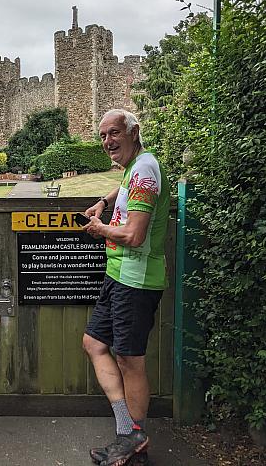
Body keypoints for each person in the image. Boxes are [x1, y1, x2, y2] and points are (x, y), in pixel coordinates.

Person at [81, 109, 169, 466]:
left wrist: (100, 229)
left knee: (130, 360)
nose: (107, 142)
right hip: (118, 276)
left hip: (137, 279)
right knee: (94, 343)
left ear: (133, 132)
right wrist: (103, 201)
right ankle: (128, 433)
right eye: (103, 136)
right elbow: (127, 185)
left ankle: (134, 436)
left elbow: (134, 235)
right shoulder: (136, 168)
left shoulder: (145, 168)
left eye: (114, 133)